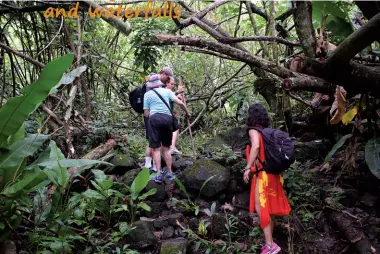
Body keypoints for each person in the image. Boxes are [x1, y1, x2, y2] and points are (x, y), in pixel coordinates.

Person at [243, 104, 291, 254]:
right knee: (269, 210)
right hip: (274, 175)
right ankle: (270, 243)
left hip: (263, 176)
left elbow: (256, 147)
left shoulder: (253, 130)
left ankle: (270, 245)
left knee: (261, 208)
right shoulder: (266, 132)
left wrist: (247, 168)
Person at [143, 74, 190, 184]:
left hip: (154, 119)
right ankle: (170, 173)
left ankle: (158, 174)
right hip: (168, 119)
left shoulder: (147, 94)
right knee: (167, 148)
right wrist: (187, 113)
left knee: (156, 149)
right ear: (159, 83)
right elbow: (180, 102)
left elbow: (146, 113)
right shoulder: (167, 91)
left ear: (150, 85)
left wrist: (152, 117)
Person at [143, 67, 173, 172]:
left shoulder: (151, 81)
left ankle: (150, 165)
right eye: (168, 78)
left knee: (152, 140)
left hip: (152, 115)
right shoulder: (154, 81)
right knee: (154, 142)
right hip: (153, 116)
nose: (168, 80)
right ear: (164, 74)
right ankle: (153, 166)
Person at [164, 76, 184, 155]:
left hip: (167, 113)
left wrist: (177, 96)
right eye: (171, 84)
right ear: (167, 83)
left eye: (174, 84)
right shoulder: (164, 90)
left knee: (174, 128)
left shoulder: (169, 92)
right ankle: (171, 147)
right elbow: (167, 95)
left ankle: (171, 147)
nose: (173, 86)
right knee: (175, 128)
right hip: (165, 113)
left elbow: (171, 97)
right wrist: (177, 92)